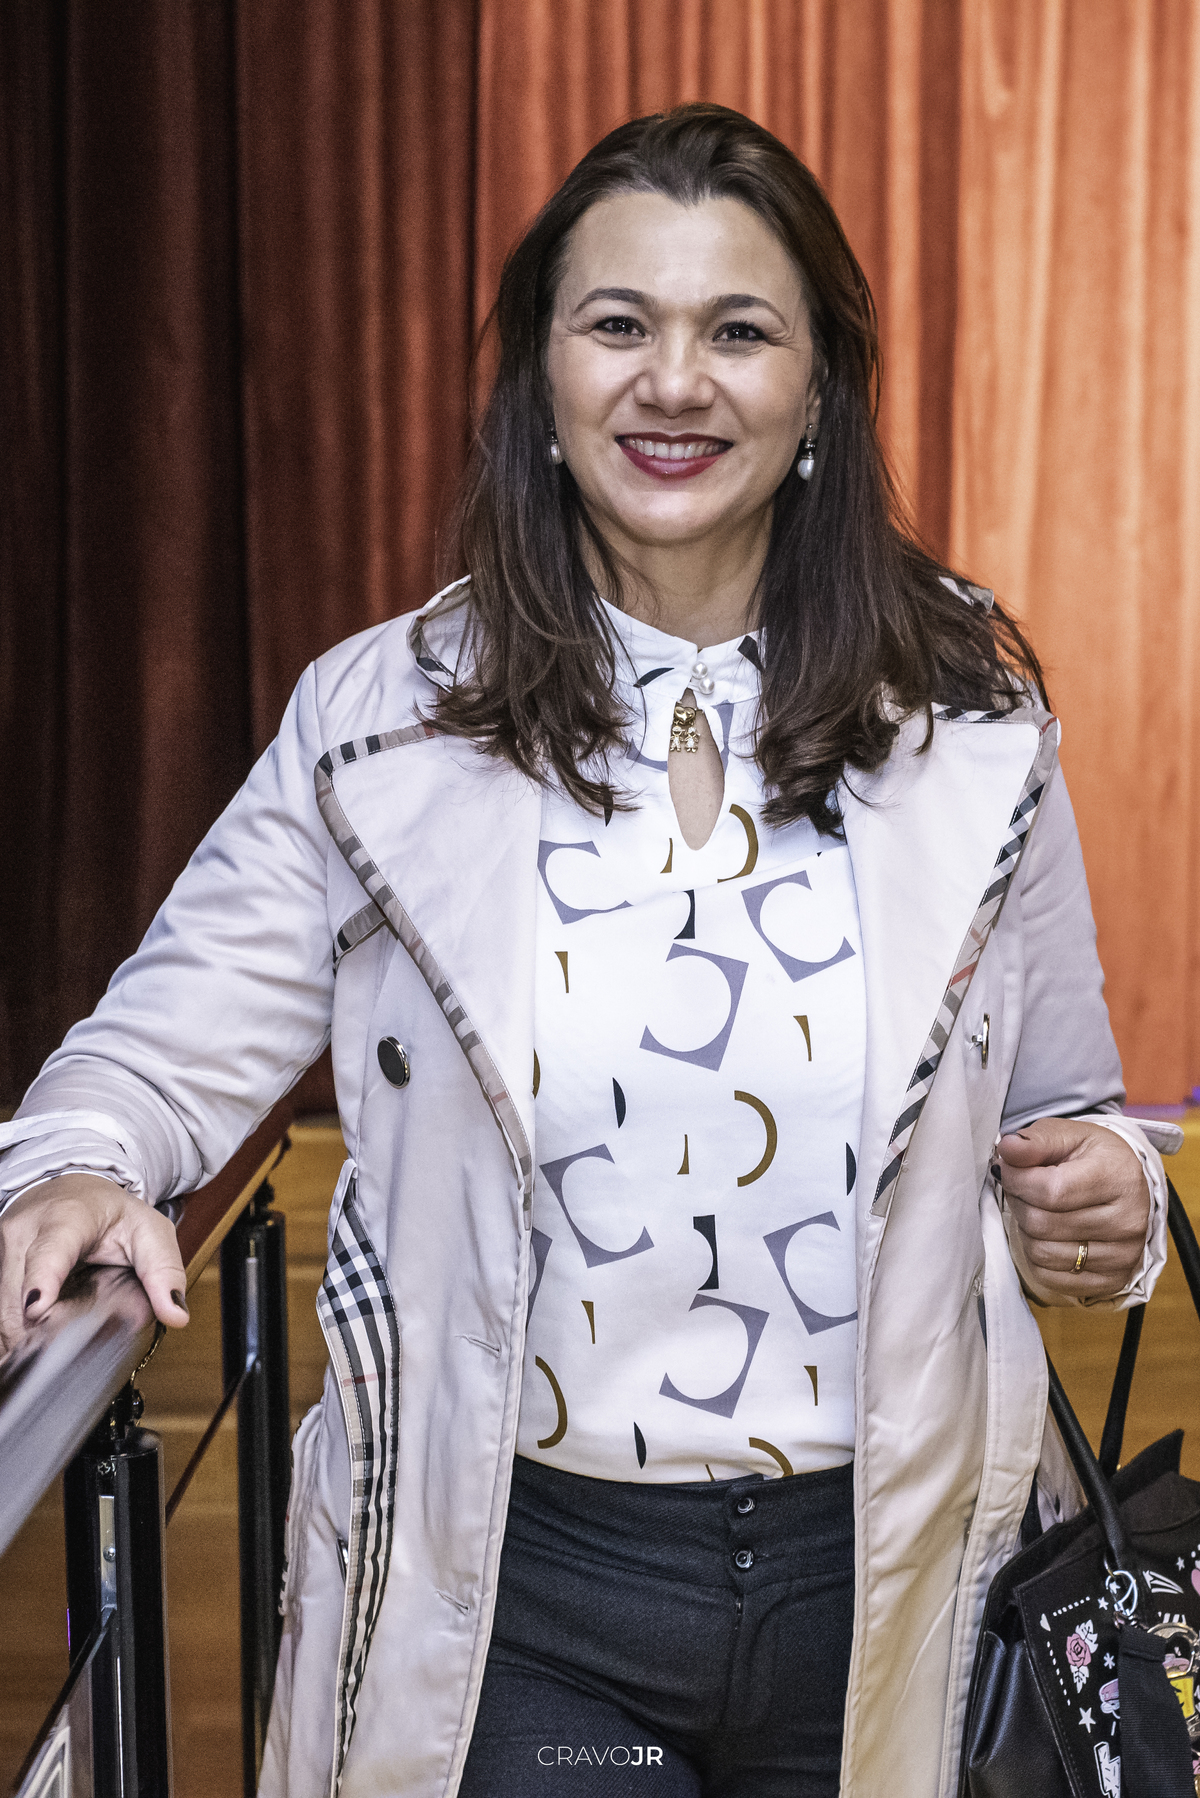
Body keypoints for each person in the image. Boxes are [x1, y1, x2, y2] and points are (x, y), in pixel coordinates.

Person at [0, 104, 1178, 1798]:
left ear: (822, 390)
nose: (674, 381)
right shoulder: (383, 719)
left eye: (739, 330)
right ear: (540, 377)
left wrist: (1113, 1203)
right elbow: (148, 1052)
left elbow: (1077, 1112)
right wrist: (78, 1162)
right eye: (619, 322)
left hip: (886, 1583)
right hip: (527, 1594)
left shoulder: (971, 721)